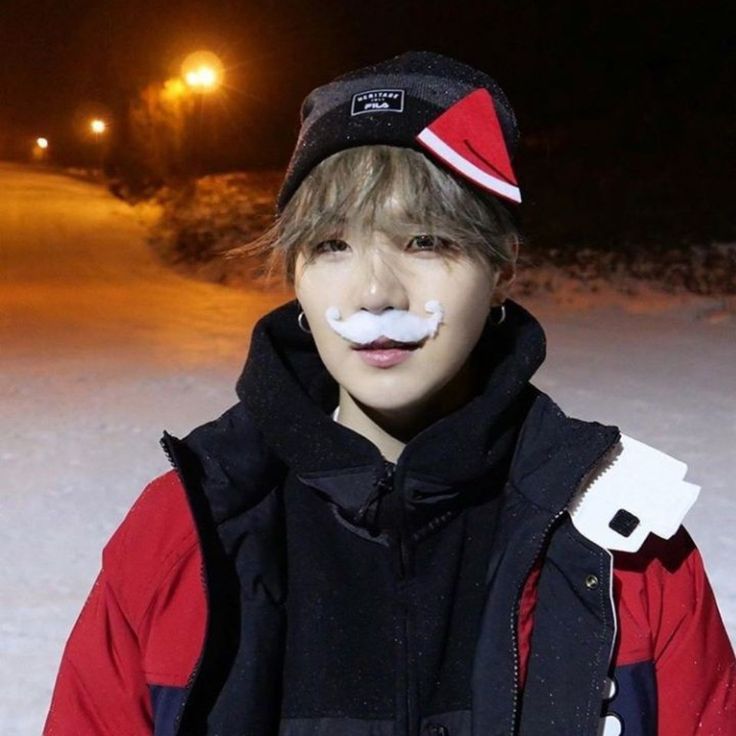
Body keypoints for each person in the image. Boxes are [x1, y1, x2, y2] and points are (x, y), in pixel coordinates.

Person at [44, 50, 735, 736]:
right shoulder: (185, 531)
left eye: (427, 241)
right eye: (332, 245)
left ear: (502, 267)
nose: (375, 294)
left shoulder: (623, 547)